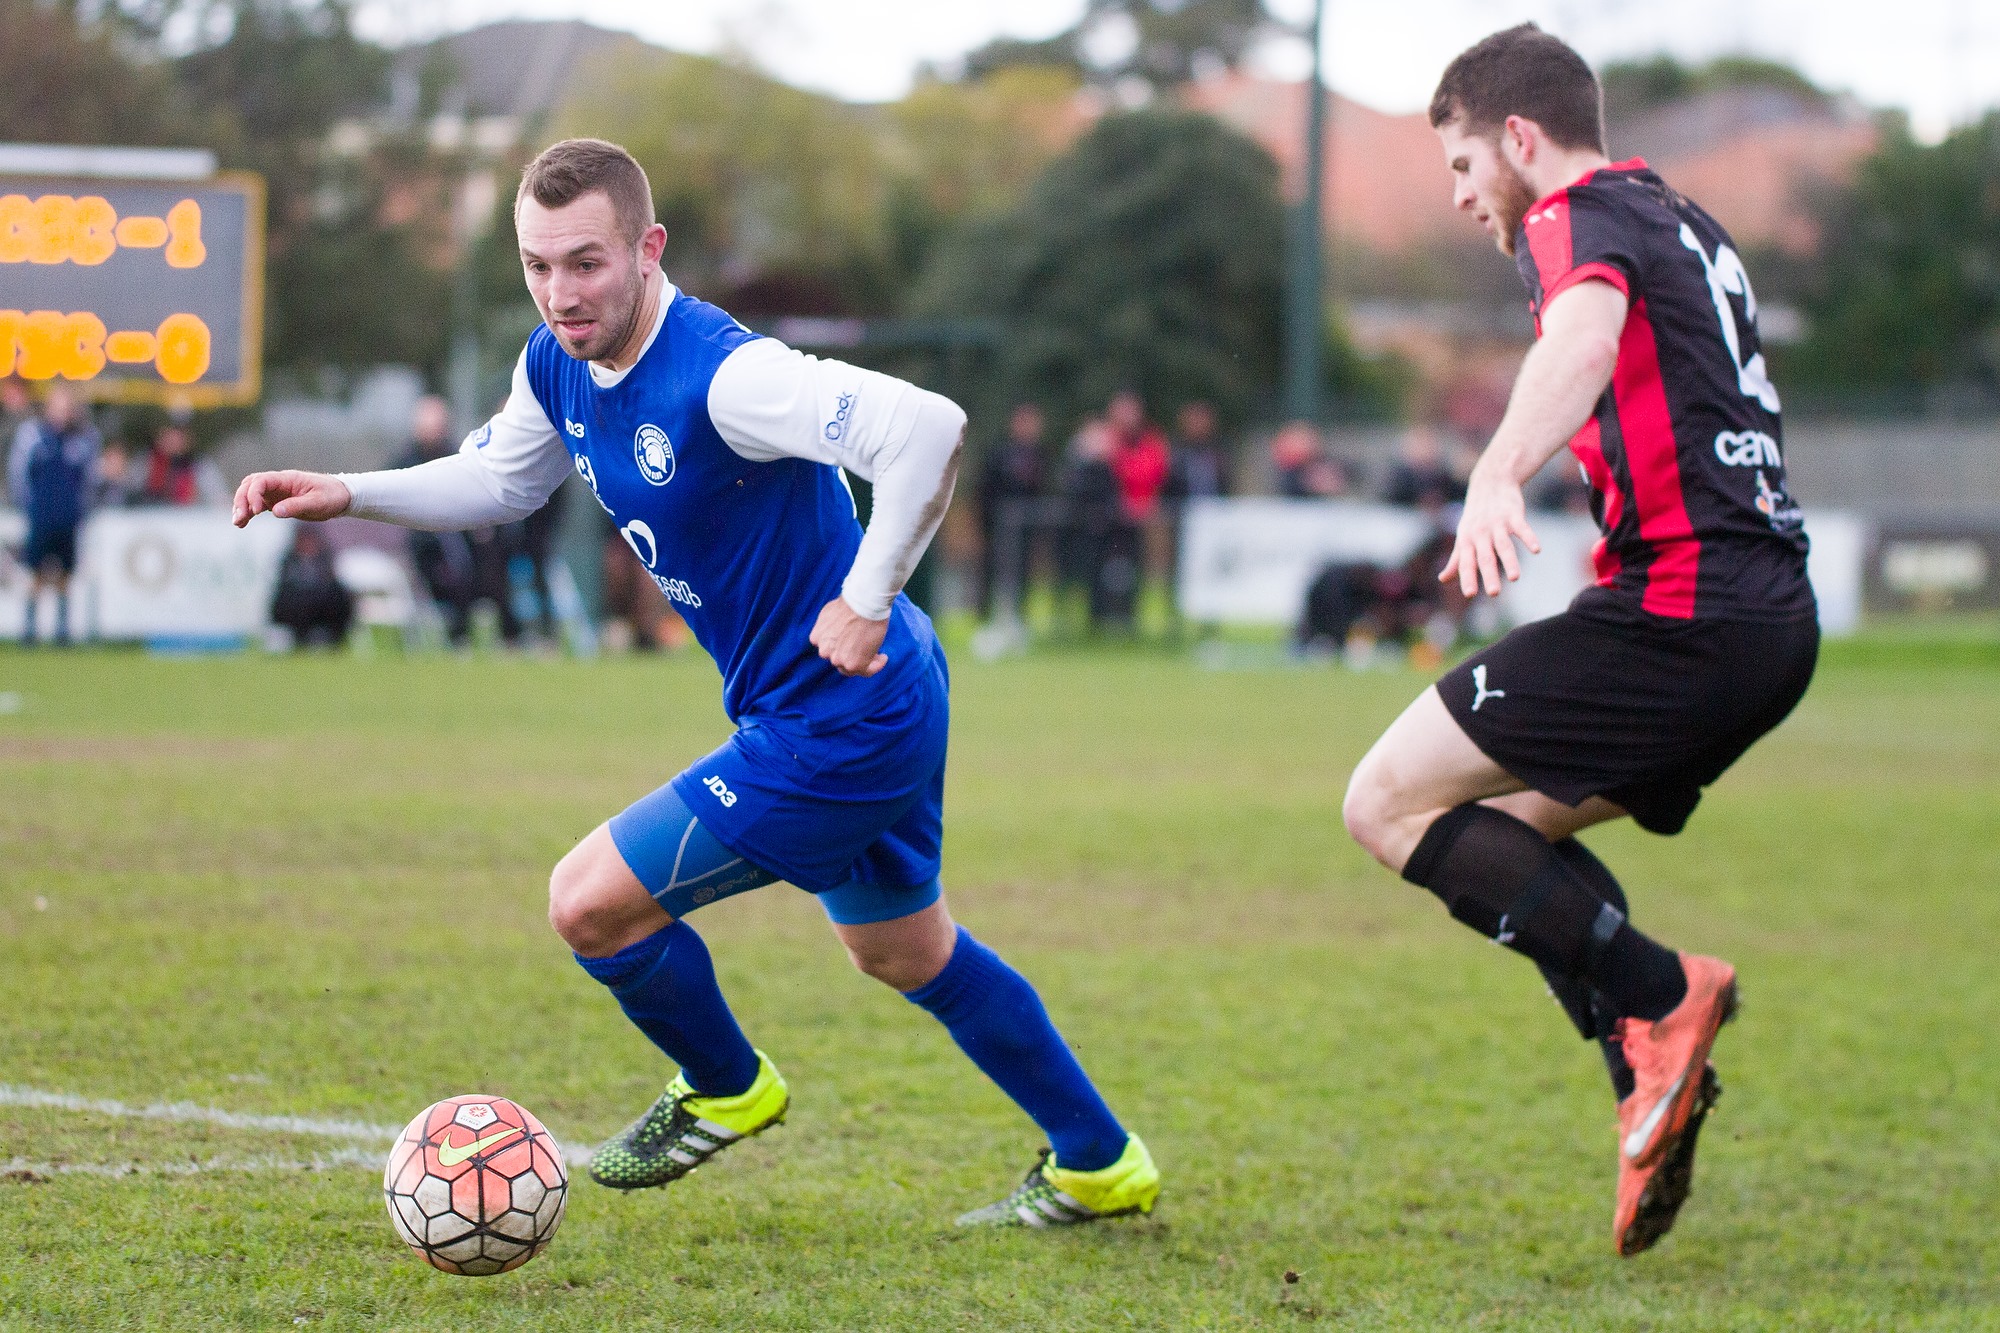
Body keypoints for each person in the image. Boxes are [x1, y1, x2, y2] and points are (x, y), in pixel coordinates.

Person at [232, 137, 1158, 1227]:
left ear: (647, 247)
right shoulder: (555, 360)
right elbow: (499, 476)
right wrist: (347, 492)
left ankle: (725, 1086)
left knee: (587, 904)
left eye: (584, 263)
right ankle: (1099, 1160)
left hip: (840, 714)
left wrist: (866, 593)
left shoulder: (729, 373)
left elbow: (927, 429)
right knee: (907, 950)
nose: (559, 293)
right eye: (536, 266)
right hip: (853, 702)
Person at [1340, 25, 1816, 1258]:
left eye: (1457, 165)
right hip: (1764, 621)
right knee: (1502, 836)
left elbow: (1582, 338)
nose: (1458, 198)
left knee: (1384, 804)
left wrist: (1495, 472)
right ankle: (1646, 1096)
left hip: (1683, 611)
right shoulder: (1683, 220)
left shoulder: (1575, 213)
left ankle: (1665, 998)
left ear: (1515, 137)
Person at [393, 396, 521, 647]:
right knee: (456, 572)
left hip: (460, 537)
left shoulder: (456, 454)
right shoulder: (404, 462)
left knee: (489, 566)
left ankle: (506, 634)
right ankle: (461, 634)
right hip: (426, 545)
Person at [8, 386, 100, 646]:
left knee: (65, 574)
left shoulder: (84, 437)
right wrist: (28, 506)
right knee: (34, 571)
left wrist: (83, 509)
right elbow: (19, 473)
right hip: (41, 515)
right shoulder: (33, 434)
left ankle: (62, 629)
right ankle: (29, 629)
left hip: (69, 517)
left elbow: (90, 479)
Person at [975, 403, 1046, 619]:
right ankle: (988, 615)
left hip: (1025, 526)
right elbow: (985, 488)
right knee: (993, 570)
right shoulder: (999, 453)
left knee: (1022, 571)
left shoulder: (1040, 454)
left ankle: (1017, 614)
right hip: (998, 525)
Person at [268, 526, 355, 648]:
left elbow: (331, 581)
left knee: (336, 595)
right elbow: (285, 584)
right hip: (296, 607)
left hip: (322, 606)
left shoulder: (325, 558)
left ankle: (326, 635)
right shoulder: (289, 560)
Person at [137, 423, 226, 506]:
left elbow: (218, 496)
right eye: (168, 437)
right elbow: (132, 490)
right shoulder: (147, 461)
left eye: (178, 438)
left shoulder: (199, 465)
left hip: (188, 516)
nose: (172, 442)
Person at [1380, 425, 1464, 510]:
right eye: (1419, 444)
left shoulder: (1445, 479)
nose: (1424, 450)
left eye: (1428, 444)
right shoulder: (1400, 481)